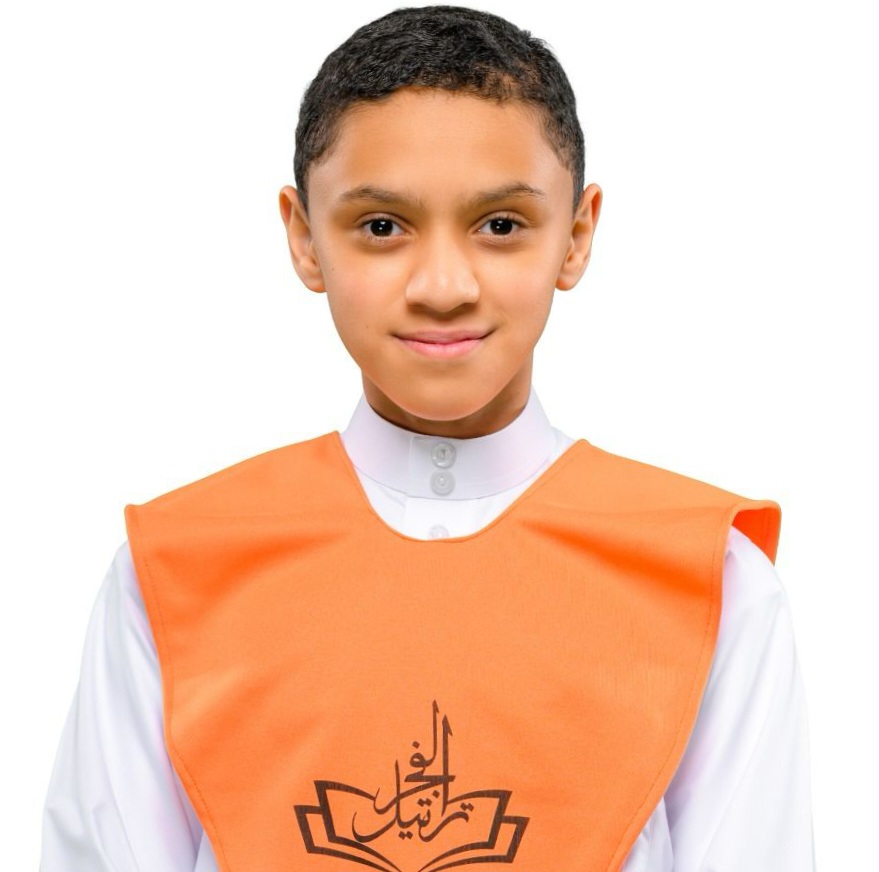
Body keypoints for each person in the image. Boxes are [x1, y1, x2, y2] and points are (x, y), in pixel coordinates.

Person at [40, 6, 814, 871]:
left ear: (576, 235)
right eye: (381, 226)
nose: (443, 287)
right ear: (303, 237)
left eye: (499, 225)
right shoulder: (174, 571)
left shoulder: (712, 581)